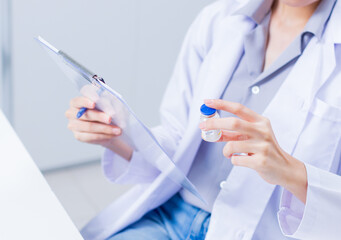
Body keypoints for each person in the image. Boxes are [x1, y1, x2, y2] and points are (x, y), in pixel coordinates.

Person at [65, 0, 341, 239]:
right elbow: (177, 136)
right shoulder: (218, 20)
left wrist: (293, 173)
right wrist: (117, 135)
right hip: (173, 216)